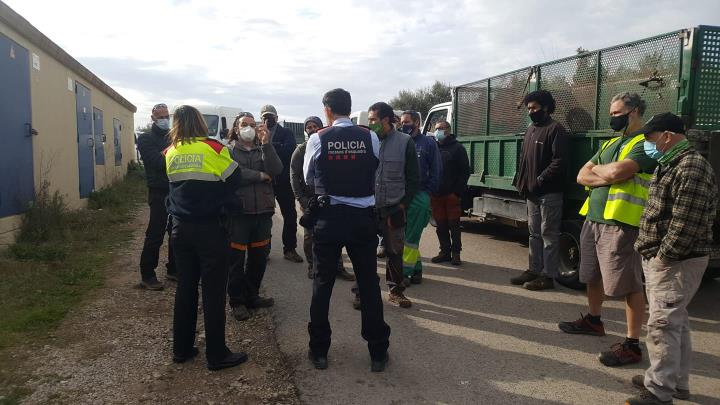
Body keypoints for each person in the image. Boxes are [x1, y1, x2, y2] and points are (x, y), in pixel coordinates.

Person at [558, 93, 656, 367]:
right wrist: (608, 172)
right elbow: (581, 175)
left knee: (628, 284)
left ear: (634, 111)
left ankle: (632, 344)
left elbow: (615, 174)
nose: (612, 118)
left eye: (617, 113)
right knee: (590, 274)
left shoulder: (646, 144)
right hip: (594, 219)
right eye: (611, 114)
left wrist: (603, 172)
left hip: (621, 223)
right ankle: (593, 320)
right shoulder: (612, 142)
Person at [626, 113, 717, 405]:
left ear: (667, 135)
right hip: (668, 258)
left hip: (674, 260)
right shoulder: (673, 163)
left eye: (650, 138)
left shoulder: (690, 167)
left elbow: (684, 223)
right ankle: (675, 382)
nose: (648, 144)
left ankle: (659, 390)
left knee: (663, 323)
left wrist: (663, 257)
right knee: (675, 321)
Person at [304, 88, 390, 372]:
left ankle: (319, 351)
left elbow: (308, 177)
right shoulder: (370, 136)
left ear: (327, 110)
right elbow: (376, 167)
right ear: (350, 109)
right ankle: (377, 352)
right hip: (362, 218)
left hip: (329, 217)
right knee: (368, 285)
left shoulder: (318, 138)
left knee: (322, 284)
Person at [164, 105, 247, 371]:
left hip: (180, 230)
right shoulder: (214, 148)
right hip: (211, 229)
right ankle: (217, 354)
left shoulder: (171, 151)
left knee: (186, 287)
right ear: (200, 123)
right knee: (212, 291)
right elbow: (235, 178)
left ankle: (182, 349)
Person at [226, 114, 282, 322]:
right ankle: (237, 301)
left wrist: (267, 144)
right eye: (244, 125)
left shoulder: (263, 149)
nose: (249, 128)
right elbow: (233, 175)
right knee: (236, 261)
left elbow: (276, 170)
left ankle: (252, 295)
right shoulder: (228, 151)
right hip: (239, 213)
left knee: (259, 259)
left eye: (252, 125)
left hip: (263, 213)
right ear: (236, 128)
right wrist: (259, 175)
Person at [511, 90, 570, 290]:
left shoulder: (556, 130)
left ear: (545, 107)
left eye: (534, 108)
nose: (531, 111)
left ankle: (548, 276)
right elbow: (523, 160)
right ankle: (534, 269)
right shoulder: (530, 130)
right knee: (533, 233)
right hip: (531, 193)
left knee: (548, 234)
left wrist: (541, 178)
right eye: (528, 108)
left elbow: (559, 161)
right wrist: (522, 182)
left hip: (550, 192)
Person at [366, 102, 419, 309]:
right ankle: (363, 292)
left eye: (373, 120)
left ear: (386, 120)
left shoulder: (405, 142)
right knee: (364, 253)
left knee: (395, 252)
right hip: (369, 207)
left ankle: (396, 292)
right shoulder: (367, 141)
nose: (370, 124)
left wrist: (403, 206)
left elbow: (414, 179)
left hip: (394, 208)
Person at [290, 116, 355, 281]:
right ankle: (313, 266)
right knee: (309, 236)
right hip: (309, 201)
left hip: (328, 199)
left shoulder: (327, 145)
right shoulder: (301, 150)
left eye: (314, 126)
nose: (311, 129)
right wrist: (302, 200)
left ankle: (338, 267)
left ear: (321, 127)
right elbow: (294, 176)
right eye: (308, 127)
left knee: (335, 234)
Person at [137, 103, 176, 290]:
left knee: (176, 232)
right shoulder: (145, 139)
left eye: (166, 116)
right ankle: (147, 274)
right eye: (160, 117)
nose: (164, 120)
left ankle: (174, 269)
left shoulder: (173, 137)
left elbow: (168, 159)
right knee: (155, 233)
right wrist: (175, 153)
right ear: (153, 118)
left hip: (176, 189)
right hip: (158, 191)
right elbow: (157, 162)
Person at [399, 110, 441, 284]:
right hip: (402, 196)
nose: (403, 125)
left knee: (410, 237)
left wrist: (427, 193)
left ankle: (405, 272)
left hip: (419, 196)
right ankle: (416, 270)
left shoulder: (428, 144)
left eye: (407, 122)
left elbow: (437, 171)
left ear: (417, 122)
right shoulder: (401, 142)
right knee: (407, 235)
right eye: (402, 122)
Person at [259, 105, 302, 263]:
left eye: (270, 116)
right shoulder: (258, 134)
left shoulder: (286, 133)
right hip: (265, 182)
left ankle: (290, 249)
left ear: (276, 117)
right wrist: (272, 146)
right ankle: (264, 250)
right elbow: (258, 154)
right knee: (265, 218)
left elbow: (288, 151)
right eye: (265, 116)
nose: (268, 119)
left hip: (284, 182)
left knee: (290, 215)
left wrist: (269, 147)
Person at [430, 120, 470, 265]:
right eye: (436, 129)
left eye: (440, 128)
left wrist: (457, 192)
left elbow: (465, 171)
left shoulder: (458, 148)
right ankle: (444, 252)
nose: (437, 131)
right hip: (436, 194)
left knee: (454, 226)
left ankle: (456, 253)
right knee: (440, 226)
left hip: (451, 195)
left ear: (448, 130)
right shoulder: (433, 147)